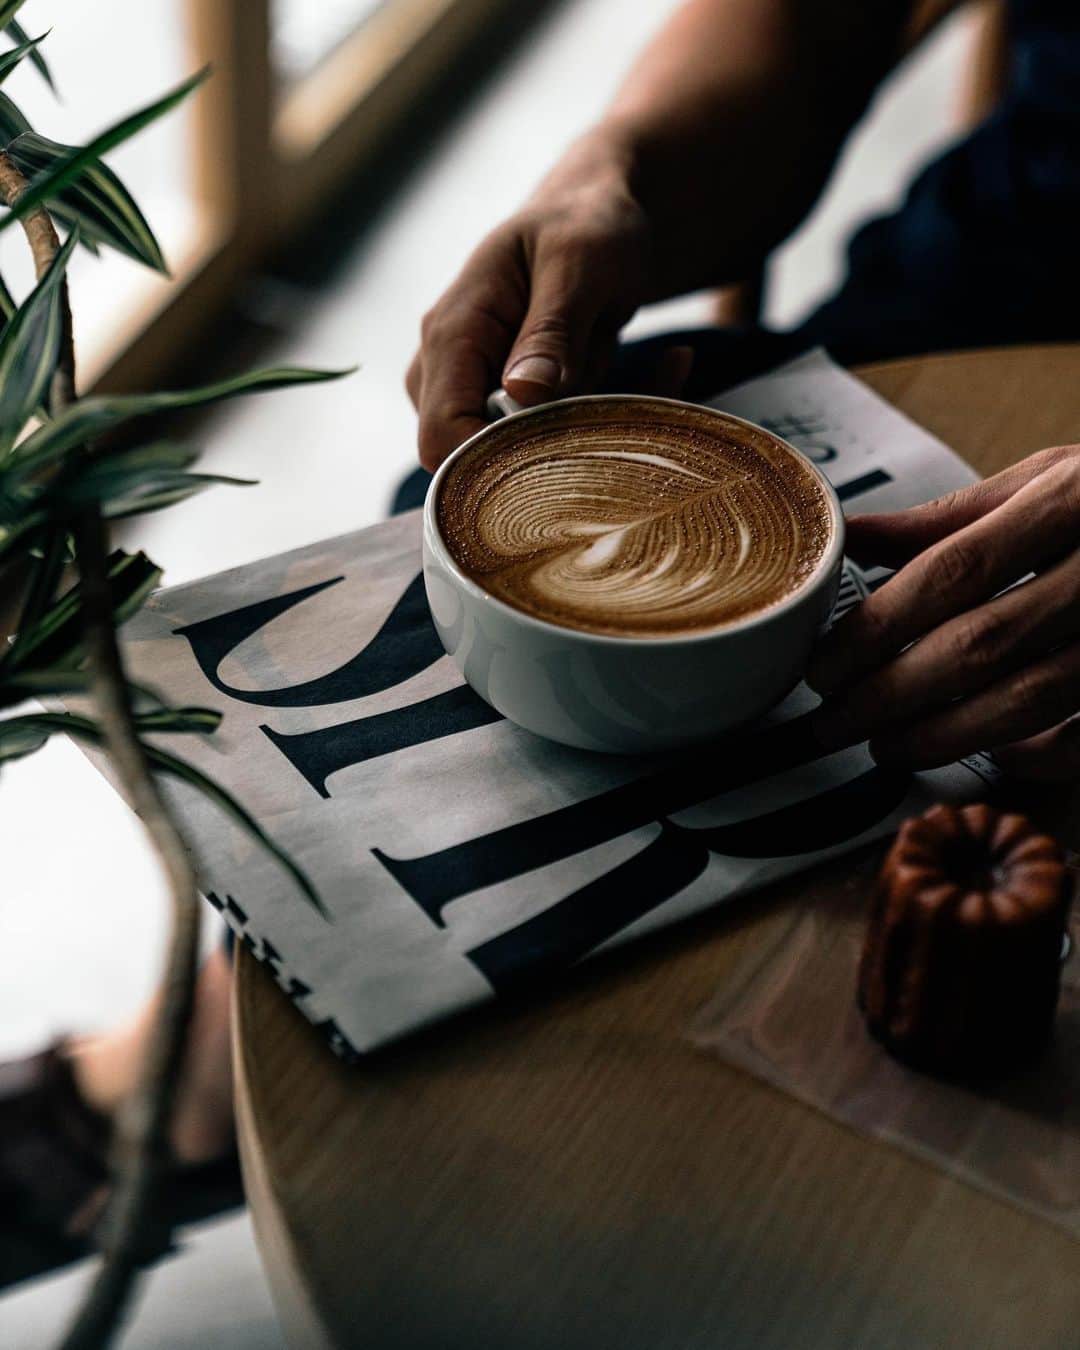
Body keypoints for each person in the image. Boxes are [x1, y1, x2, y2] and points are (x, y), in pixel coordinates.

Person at [3, 0, 1078, 1288]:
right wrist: (615, 164)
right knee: (453, 555)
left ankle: (174, 1099)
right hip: (954, 314)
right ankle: (192, 1085)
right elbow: (803, 27)